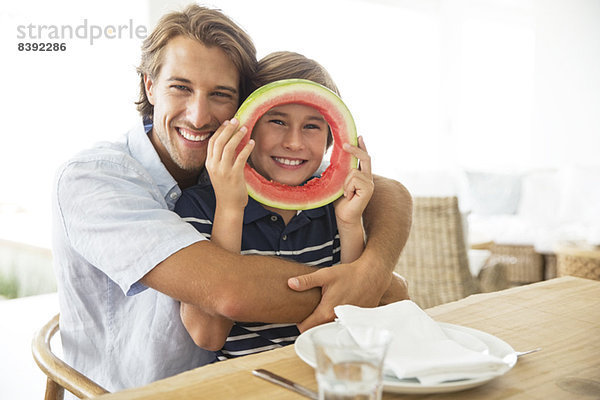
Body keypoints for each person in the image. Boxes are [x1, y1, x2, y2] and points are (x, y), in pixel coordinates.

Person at [51, 4, 412, 393]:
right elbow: (229, 293)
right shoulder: (92, 179)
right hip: (137, 390)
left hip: (262, 381)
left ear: (243, 106)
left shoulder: (229, 163)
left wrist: (371, 268)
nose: (199, 116)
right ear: (149, 85)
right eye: (180, 87)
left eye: (220, 94)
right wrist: (378, 290)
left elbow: (389, 191)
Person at [176, 51, 376, 359]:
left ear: (331, 139)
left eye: (312, 126)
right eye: (278, 121)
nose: (294, 142)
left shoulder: (338, 208)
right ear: (246, 128)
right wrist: (230, 208)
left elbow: (355, 317)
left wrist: (350, 224)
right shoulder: (201, 205)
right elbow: (208, 335)